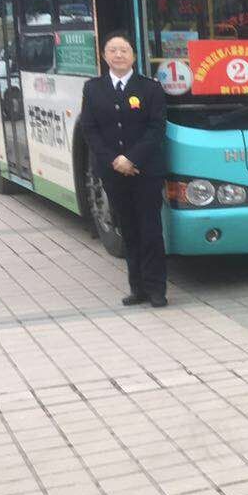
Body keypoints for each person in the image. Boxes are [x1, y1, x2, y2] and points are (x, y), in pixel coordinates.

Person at [80, 34, 169, 306]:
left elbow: (156, 128)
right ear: (104, 55)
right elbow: (90, 129)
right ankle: (137, 288)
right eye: (113, 50)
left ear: (134, 56)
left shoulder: (150, 88)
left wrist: (132, 159)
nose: (118, 55)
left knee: (150, 230)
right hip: (113, 172)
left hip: (146, 171)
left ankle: (156, 290)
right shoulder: (93, 89)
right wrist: (115, 161)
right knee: (128, 229)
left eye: (124, 50)